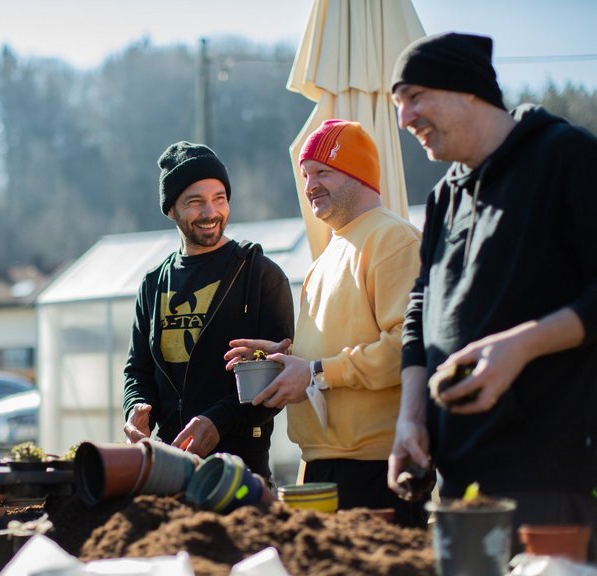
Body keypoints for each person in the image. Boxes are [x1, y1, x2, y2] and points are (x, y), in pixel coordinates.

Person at [387, 31, 597, 557]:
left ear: (467, 89)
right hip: (456, 481)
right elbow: (419, 311)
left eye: (414, 96)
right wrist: (411, 416)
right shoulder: (442, 198)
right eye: (398, 104)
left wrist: (520, 346)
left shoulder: (566, 156)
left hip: (548, 479)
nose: (404, 118)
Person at [225, 120, 425, 526]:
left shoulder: (393, 239)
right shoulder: (326, 258)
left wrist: (315, 371)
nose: (310, 184)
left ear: (357, 173)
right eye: (305, 175)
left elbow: (406, 348)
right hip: (321, 464)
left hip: (378, 464)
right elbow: (334, 348)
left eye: (323, 172)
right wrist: (283, 358)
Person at [122, 141, 295, 480]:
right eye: (195, 202)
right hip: (168, 465)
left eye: (219, 198)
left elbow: (278, 374)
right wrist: (135, 407)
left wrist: (219, 421)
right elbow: (138, 369)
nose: (210, 212)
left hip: (242, 470)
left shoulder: (260, 275)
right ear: (171, 210)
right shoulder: (153, 283)